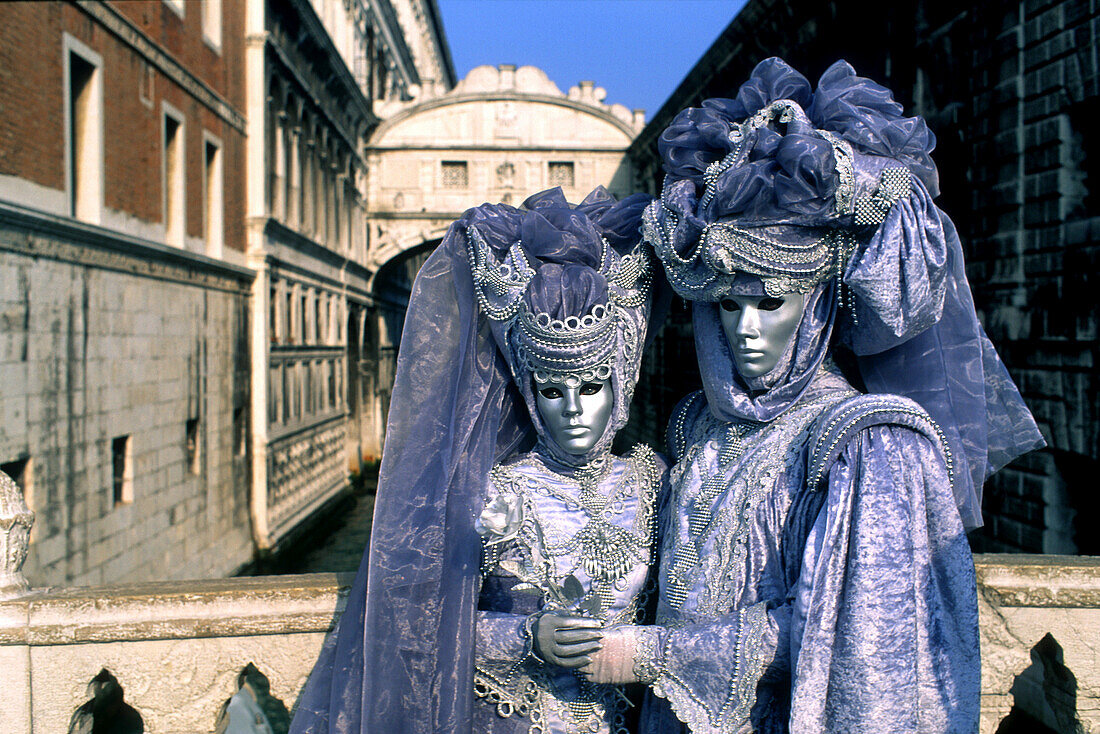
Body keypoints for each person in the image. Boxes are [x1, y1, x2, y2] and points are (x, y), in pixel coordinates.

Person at [577, 58, 1044, 733]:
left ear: (818, 305)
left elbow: (855, 629)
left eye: (770, 302)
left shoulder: (867, 445)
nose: (745, 330)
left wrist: (650, 654)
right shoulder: (701, 429)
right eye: (726, 307)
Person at [289, 186, 665, 734]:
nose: (574, 411)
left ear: (621, 383)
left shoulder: (653, 484)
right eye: (553, 392)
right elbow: (417, 623)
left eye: (591, 387)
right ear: (530, 393)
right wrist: (527, 636)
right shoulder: (491, 492)